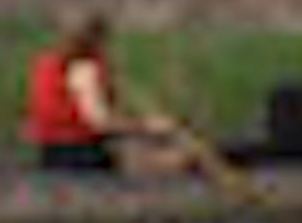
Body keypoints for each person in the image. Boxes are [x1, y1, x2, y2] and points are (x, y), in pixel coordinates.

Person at [24, 13, 191, 174]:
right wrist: (149, 126)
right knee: (169, 160)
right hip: (77, 152)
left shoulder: (48, 61)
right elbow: (102, 123)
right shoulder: (83, 69)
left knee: (142, 148)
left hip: (50, 150)